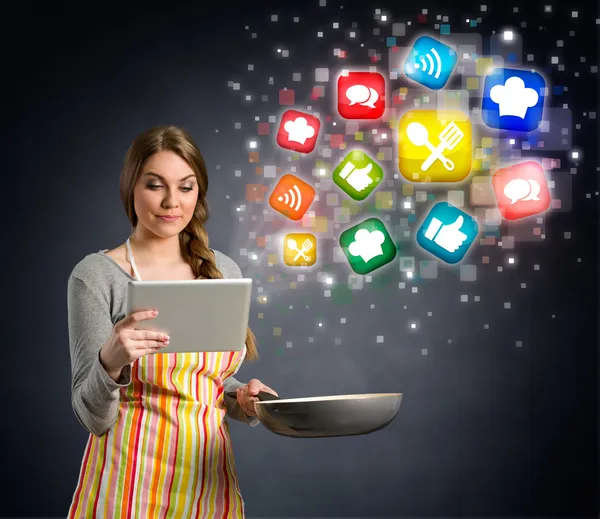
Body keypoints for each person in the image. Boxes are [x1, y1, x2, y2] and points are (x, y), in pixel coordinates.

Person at [66, 125, 277, 518]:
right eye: (154, 185)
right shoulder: (97, 276)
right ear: (131, 188)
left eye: (185, 187)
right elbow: (90, 416)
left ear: (199, 193)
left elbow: (204, 383)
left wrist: (241, 399)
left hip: (208, 486)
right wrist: (110, 361)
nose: (170, 202)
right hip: (127, 486)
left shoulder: (222, 270)